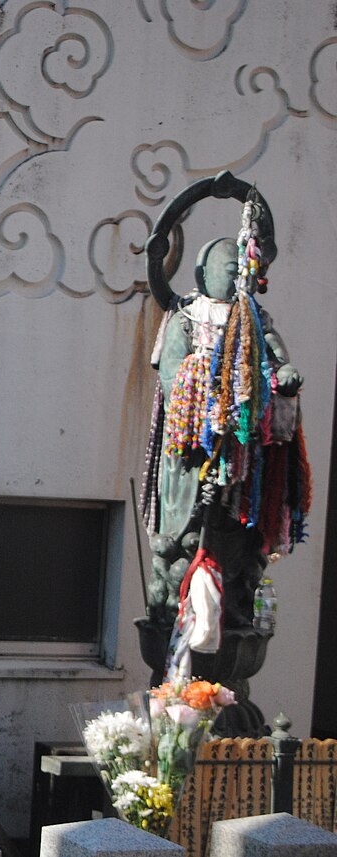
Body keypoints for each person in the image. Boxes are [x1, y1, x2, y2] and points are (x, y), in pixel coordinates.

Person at [141, 188, 310, 680]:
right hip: (193, 452)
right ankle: (170, 609)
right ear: (203, 273)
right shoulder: (185, 318)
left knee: (240, 543)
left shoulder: (255, 319)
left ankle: (232, 613)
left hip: (242, 456)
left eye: (242, 268)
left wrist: (283, 376)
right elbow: (174, 383)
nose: (237, 275)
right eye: (227, 267)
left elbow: (277, 362)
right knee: (182, 541)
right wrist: (209, 402)